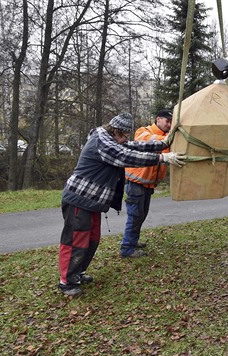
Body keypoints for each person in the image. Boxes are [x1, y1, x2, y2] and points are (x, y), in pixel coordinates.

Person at [58, 112, 185, 296]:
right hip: (79, 198)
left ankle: (77, 273)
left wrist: (163, 144)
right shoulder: (103, 142)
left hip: (91, 201)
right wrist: (161, 158)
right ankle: (66, 282)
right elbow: (127, 156)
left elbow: (134, 145)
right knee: (76, 240)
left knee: (92, 239)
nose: (127, 138)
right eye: (125, 135)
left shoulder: (112, 139)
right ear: (116, 131)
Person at [120, 109, 174, 258]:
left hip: (149, 185)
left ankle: (132, 241)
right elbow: (148, 141)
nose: (169, 124)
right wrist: (169, 138)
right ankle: (127, 248)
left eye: (171, 122)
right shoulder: (144, 131)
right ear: (158, 119)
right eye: (167, 121)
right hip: (136, 184)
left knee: (141, 215)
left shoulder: (167, 138)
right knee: (135, 216)